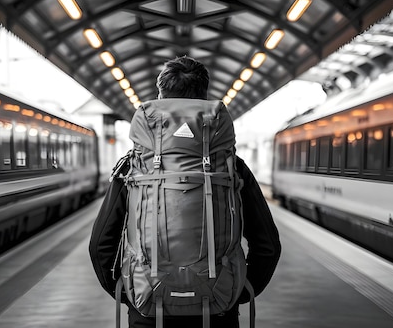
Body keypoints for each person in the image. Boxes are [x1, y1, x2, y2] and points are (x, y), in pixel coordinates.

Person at [89, 56, 281, 327]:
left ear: (160, 95)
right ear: (203, 95)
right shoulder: (232, 167)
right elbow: (268, 246)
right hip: (218, 311)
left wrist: (127, 292)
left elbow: (100, 245)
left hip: (147, 311)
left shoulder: (134, 166)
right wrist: (236, 292)